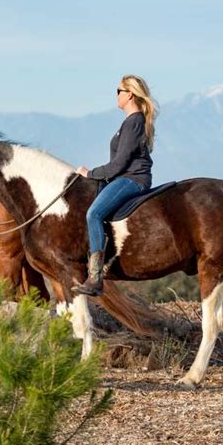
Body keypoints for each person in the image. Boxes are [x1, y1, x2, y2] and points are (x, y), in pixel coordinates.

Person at [72, 75, 157, 296]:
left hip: (131, 179)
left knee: (93, 214)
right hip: (124, 177)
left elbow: (119, 164)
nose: (116, 95)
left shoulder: (134, 122)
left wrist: (90, 174)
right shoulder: (131, 122)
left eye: (118, 91)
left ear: (129, 94)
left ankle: (95, 277)